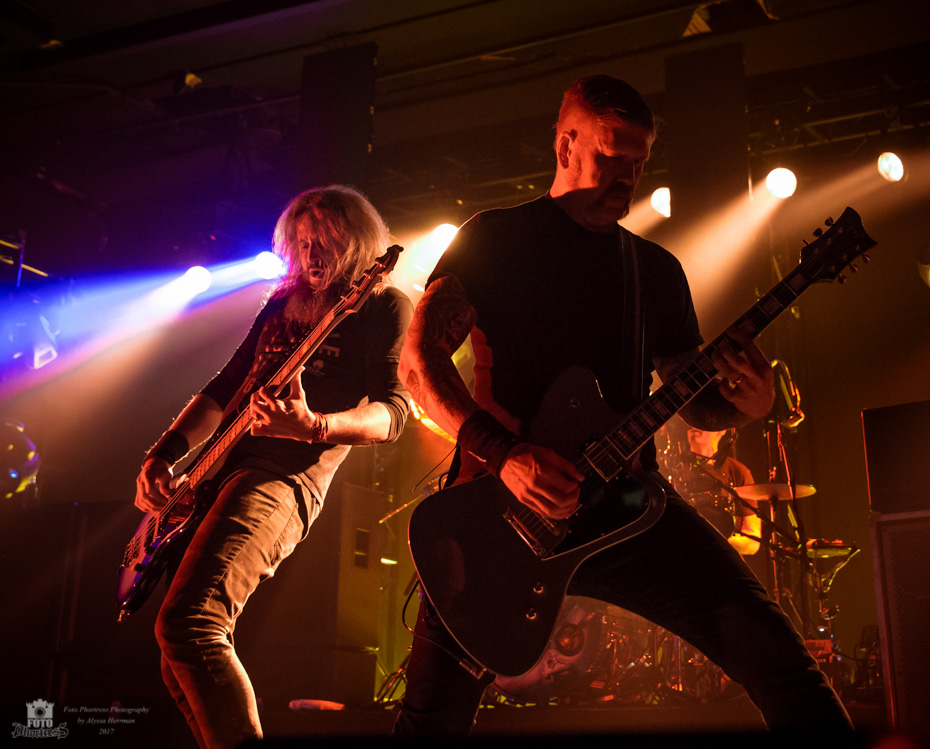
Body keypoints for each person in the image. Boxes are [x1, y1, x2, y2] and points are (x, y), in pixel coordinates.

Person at [393, 75, 852, 735]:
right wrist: (505, 456)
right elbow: (419, 364)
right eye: (611, 156)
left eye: (638, 163)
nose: (626, 176)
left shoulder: (654, 269)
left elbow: (693, 400)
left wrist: (744, 403)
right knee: (429, 722)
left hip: (628, 510)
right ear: (566, 143)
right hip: (500, 515)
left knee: (781, 661)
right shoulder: (497, 238)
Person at [133, 185, 412, 749]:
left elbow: (394, 413)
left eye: (327, 241)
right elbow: (224, 388)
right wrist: (163, 454)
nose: (312, 255)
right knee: (176, 655)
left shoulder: (382, 304)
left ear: (358, 241)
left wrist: (314, 426)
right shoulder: (280, 305)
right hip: (219, 475)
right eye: (302, 242)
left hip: (284, 481)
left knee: (190, 626)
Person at [673, 426, 762, 556]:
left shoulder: (737, 471)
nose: (694, 425)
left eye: (702, 420)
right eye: (692, 421)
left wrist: (713, 540)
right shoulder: (673, 468)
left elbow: (753, 542)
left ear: (721, 430)